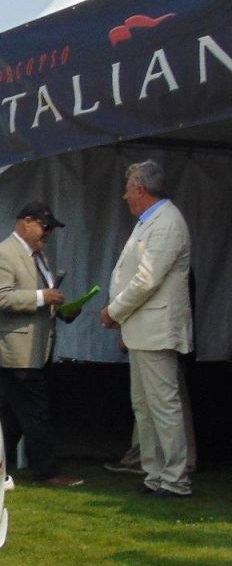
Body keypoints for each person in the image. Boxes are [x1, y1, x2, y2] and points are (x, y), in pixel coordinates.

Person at [101, 160, 193, 498]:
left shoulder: (167, 222)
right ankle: (155, 475)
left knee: (163, 406)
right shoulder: (149, 222)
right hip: (141, 328)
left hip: (156, 328)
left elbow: (147, 279)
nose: (125, 196)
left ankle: (175, 479)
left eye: (128, 189)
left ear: (140, 188)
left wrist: (115, 311)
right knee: (145, 406)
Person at [0, 202, 83, 487]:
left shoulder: (38, 255)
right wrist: (42, 297)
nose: (48, 233)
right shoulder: (3, 253)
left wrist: (63, 311)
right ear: (26, 222)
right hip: (15, 352)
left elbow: (41, 298)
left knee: (14, 416)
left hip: (36, 349)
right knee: (35, 413)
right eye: (45, 226)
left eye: (51, 228)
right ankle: (47, 472)